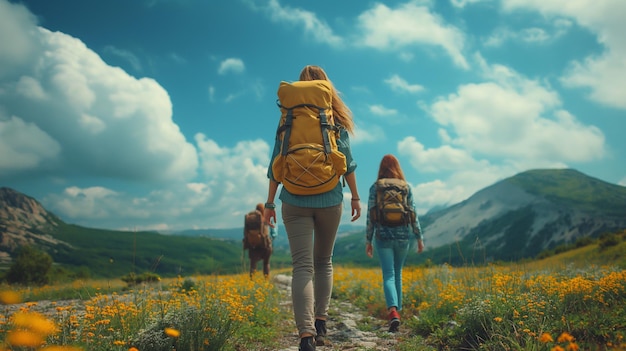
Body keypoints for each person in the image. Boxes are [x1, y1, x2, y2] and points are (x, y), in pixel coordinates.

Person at [264, 65, 361, 351]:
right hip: (330, 198)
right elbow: (349, 162)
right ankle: (320, 322)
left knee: (302, 267)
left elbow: (274, 164)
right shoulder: (333, 117)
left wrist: (269, 203)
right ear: (324, 86)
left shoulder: (287, 118)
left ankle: (306, 337)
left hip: (293, 198)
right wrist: (354, 196)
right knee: (323, 262)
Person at [365, 154, 424, 333]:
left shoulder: (376, 187)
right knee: (397, 274)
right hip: (403, 236)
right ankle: (398, 313)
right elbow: (413, 214)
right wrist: (419, 238)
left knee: (389, 274)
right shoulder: (406, 187)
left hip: (383, 236)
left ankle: (393, 313)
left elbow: (370, 215)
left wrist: (368, 240)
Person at [244, 203, 277, 278]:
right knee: (266, 263)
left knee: (253, 263)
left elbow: (245, 232)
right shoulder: (265, 218)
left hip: (253, 245)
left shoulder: (250, 219)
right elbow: (273, 232)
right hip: (265, 245)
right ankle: (266, 279)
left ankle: (251, 280)